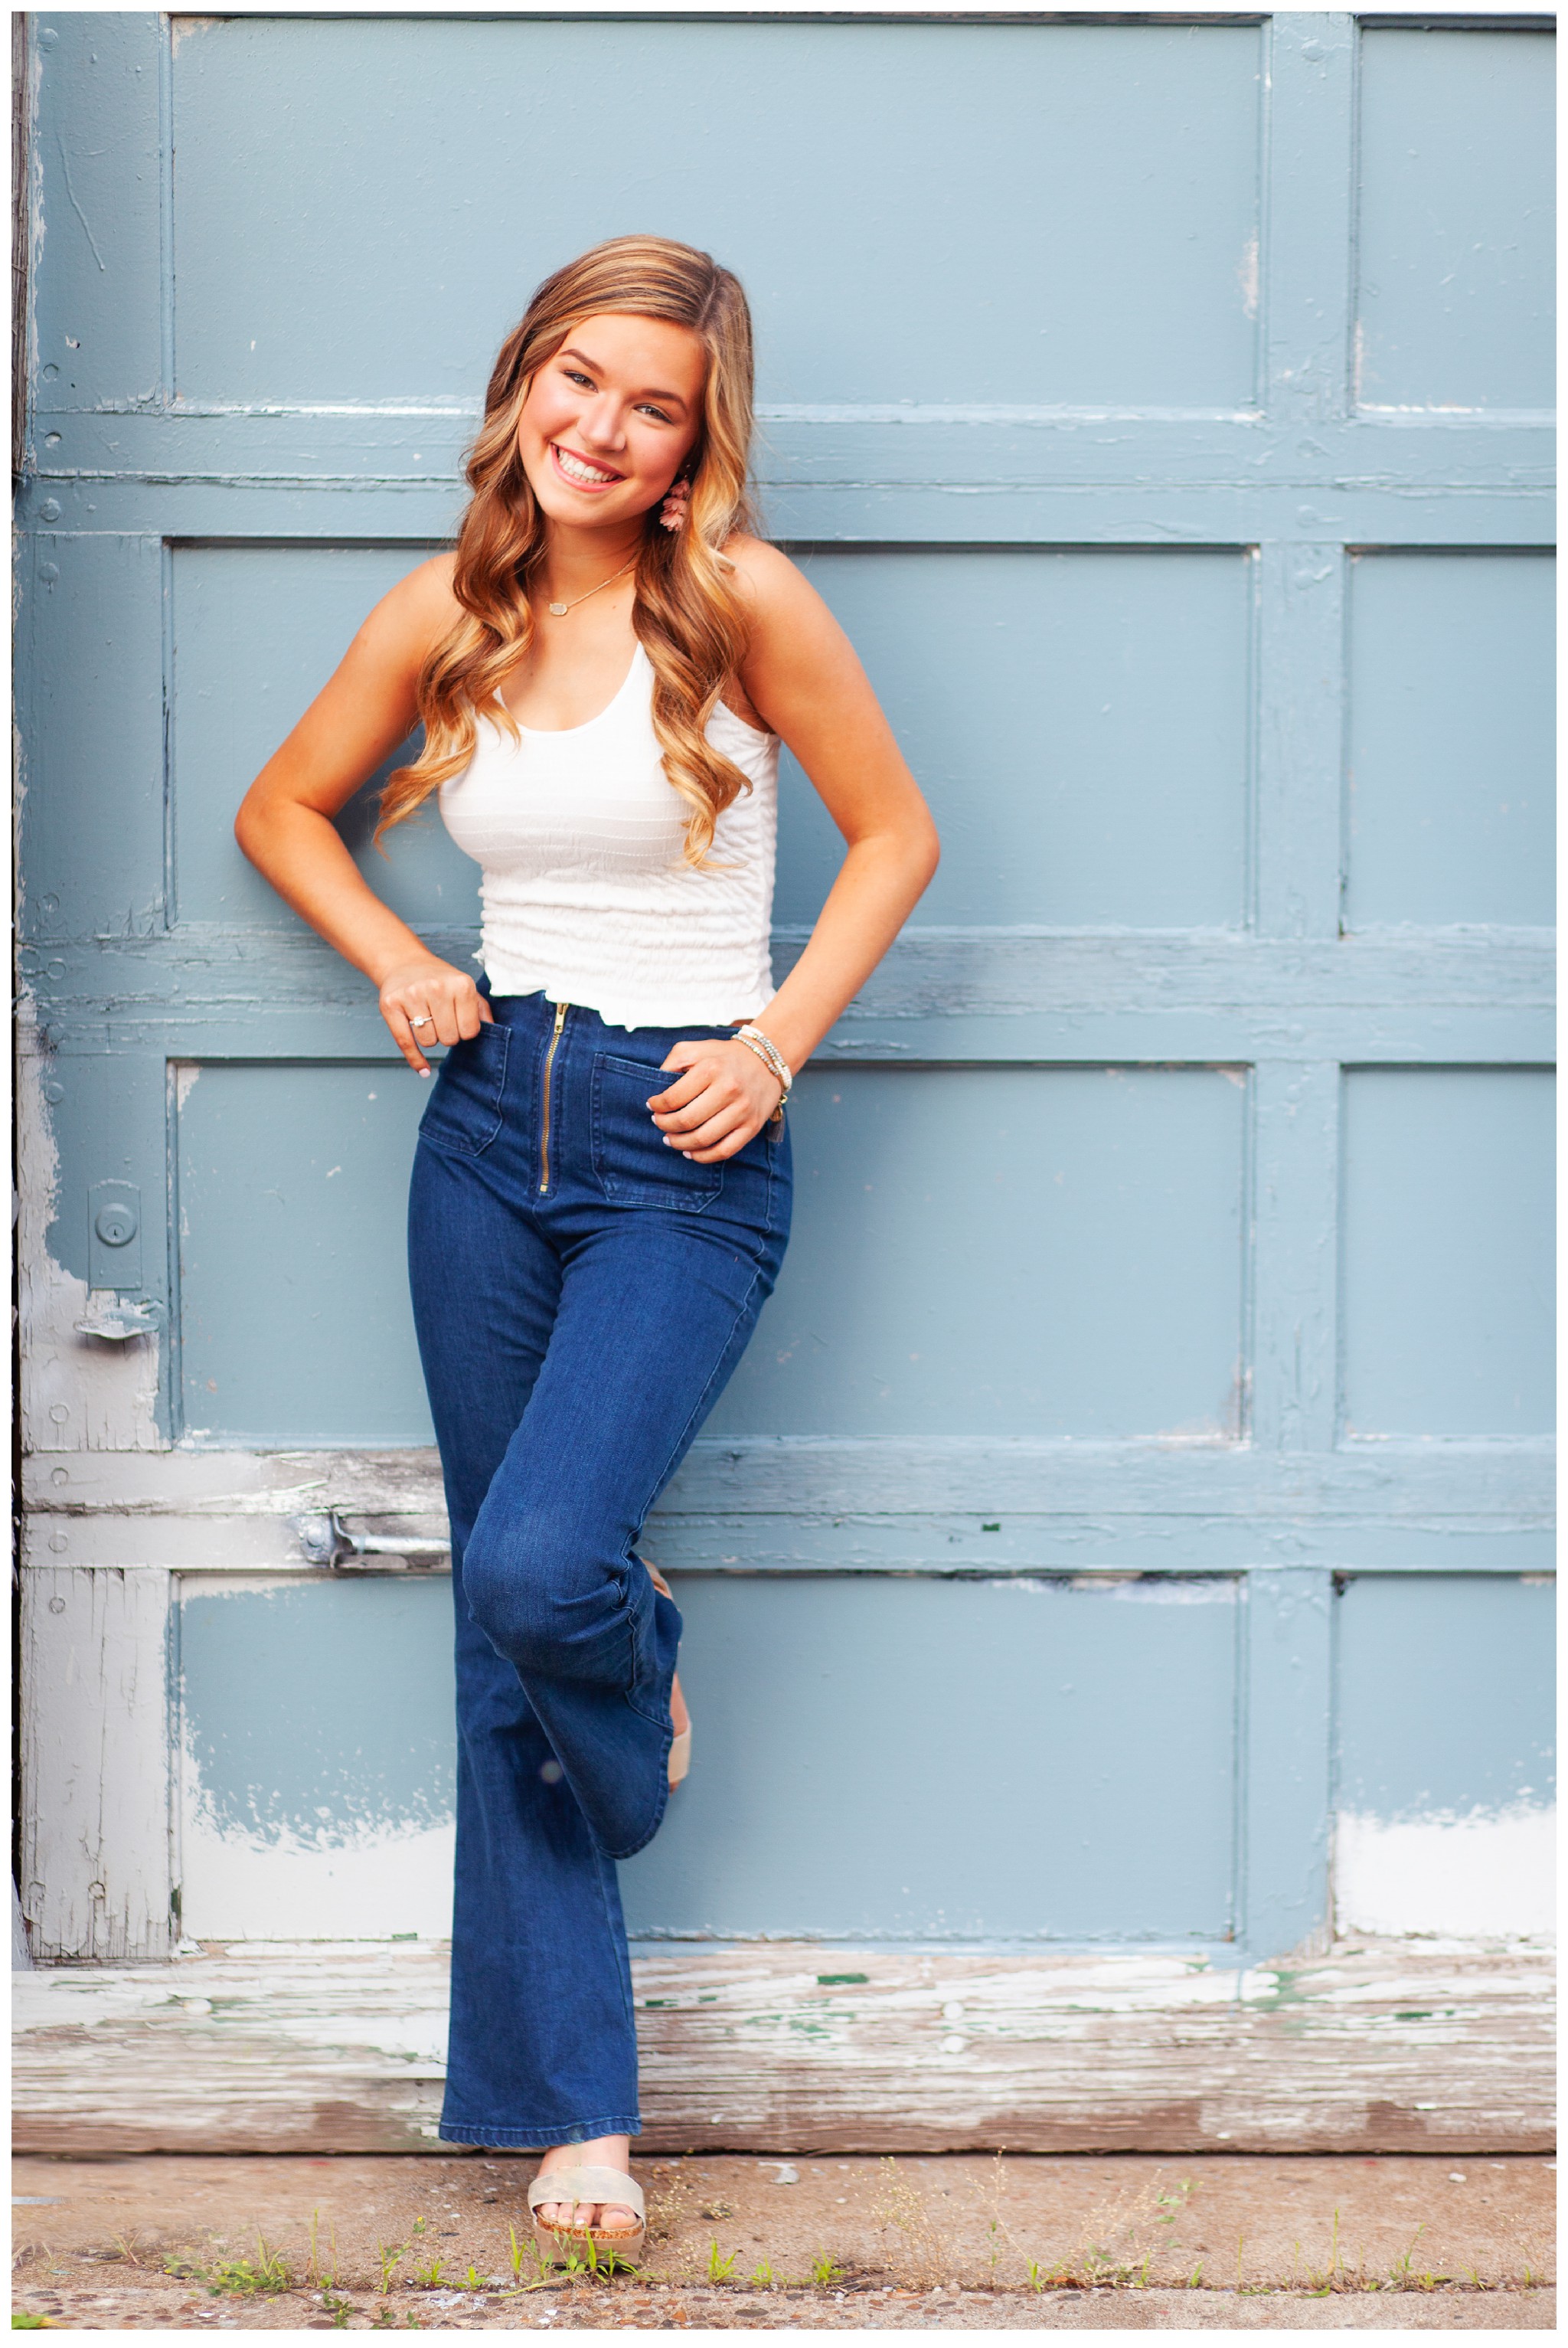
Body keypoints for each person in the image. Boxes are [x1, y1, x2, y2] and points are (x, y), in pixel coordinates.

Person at [235, 234, 939, 2261]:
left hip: (677, 1144)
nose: (603, 429)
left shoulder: (737, 608)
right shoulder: (445, 613)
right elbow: (289, 808)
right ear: (522, 378)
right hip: (485, 1126)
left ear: (699, 437)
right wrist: (394, 957)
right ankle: (577, 2117)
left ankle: (634, 1655)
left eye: (654, 403)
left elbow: (894, 828)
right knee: (494, 1620)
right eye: (578, 378)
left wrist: (779, 1042)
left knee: (550, 1570)